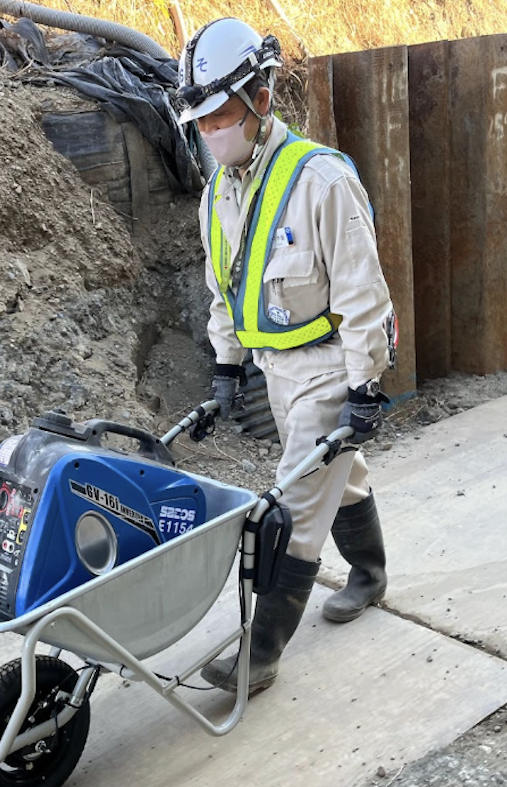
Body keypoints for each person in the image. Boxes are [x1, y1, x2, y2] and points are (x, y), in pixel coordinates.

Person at [175, 18, 397, 694]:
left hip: (328, 364)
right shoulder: (218, 194)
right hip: (275, 369)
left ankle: (259, 655)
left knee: (294, 510)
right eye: (201, 120)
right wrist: (225, 367)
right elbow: (225, 291)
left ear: (261, 99)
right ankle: (371, 573)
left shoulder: (320, 181)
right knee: (341, 476)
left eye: (221, 115)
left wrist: (364, 390)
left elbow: (366, 296)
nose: (212, 131)